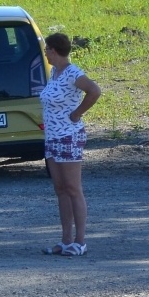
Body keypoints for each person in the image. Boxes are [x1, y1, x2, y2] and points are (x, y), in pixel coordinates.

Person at [40, 32, 101, 256]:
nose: (45, 52)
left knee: (74, 189)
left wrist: (77, 113)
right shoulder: (54, 73)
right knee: (61, 189)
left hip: (69, 136)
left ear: (54, 50)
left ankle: (80, 241)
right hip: (52, 138)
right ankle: (65, 240)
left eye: (47, 49)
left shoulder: (73, 73)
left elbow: (94, 91)